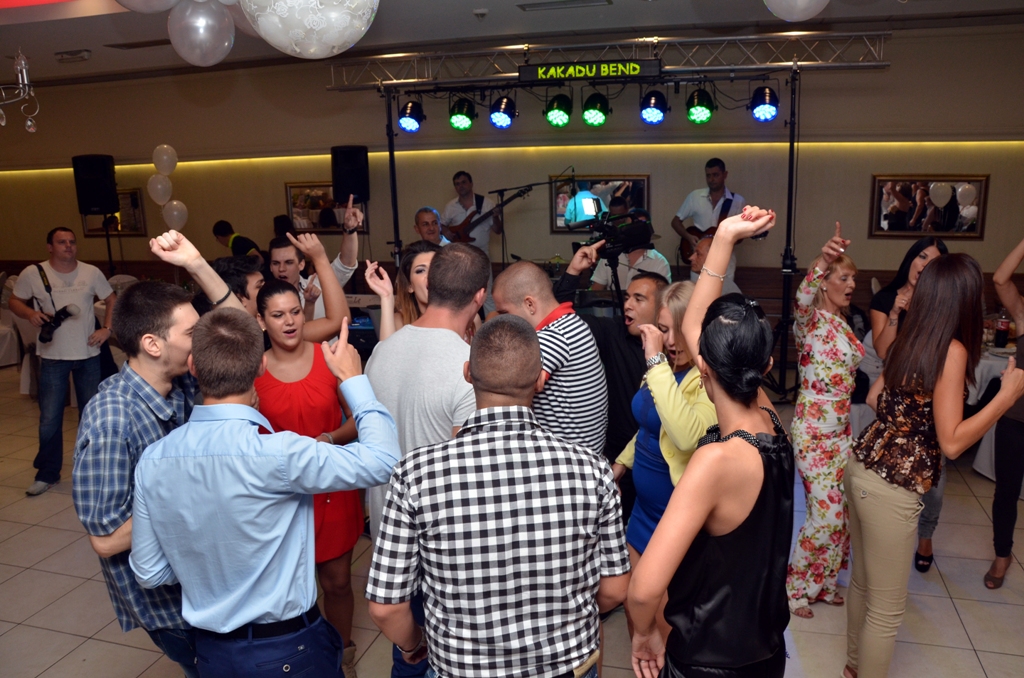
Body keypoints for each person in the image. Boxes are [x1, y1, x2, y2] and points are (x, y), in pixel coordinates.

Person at [129, 308, 400, 678]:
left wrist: (210, 566)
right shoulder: (279, 453)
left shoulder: (153, 460)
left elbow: (149, 571)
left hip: (211, 653)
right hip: (286, 650)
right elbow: (384, 460)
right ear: (261, 366)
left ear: (193, 366)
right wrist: (353, 379)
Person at [364, 315, 630, 678]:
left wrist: (415, 645)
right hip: (566, 667)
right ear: (539, 381)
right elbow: (614, 589)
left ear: (467, 374)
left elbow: (386, 607)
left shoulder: (415, 474)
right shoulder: (593, 469)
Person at [73, 232, 249, 677]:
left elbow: (240, 333)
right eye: (192, 333)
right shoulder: (112, 419)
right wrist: (194, 489)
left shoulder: (184, 381)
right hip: (173, 608)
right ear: (153, 344)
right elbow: (105, 538)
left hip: (211, 584)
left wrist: (195, 263)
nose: (204, 341)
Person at [629, 205, 793, 678]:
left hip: (708, 662)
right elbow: (696, 325)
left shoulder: (717, 461)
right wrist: (723, 239)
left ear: (703, 366)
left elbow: (644, 590)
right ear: (765, 366)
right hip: (766, 651)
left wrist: (644, 632)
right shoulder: (772, 420)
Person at [845, 254, 1024, 678]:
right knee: (886, 611)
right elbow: (953, 443)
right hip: (892, 488)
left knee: (862, 585)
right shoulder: (952, 350)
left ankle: (852, 669)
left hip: (862, 467)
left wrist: (906, 420)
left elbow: (873, 397)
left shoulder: (910, 335)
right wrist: (1005, 398)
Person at [363, 243, 488, 678]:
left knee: (408, 656)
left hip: (388, 533)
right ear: (480, 297)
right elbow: (468, 476)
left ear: (429, 286)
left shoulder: (383, 350)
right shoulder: (468, 366)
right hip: (440, 549)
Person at [254, 251, 362, 674]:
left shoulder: (329, 357)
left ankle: (343, 654)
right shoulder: (253, 371)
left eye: (295, 311)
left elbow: (359, 419)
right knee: (288, 587)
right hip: (280, 495)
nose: (289, 322)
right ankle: (301, 658)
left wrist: (329, 438)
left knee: (337, 582)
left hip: (331, 484)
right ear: (261, 321)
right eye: (278, 315)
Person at [611, 281, 717, 638]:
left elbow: (685, 436)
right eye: (662, 329)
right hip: (643, 509)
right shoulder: (664, 368)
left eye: (675, 330)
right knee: (632, 604)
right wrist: (620, 465)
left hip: (673, 514)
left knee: (662, 619)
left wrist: (655, 361)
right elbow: (648, 426)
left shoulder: (705, 378)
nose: (668, 341)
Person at [553, 241, 669, 523]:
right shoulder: (614, 332)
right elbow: (560, 316)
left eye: (638, 299)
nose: (627, 304)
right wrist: (573, 271)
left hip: (664, 461)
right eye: (627, 297)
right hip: (618, 461)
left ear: (662, 308)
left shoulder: (676, 347)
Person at [786, 223, 864, 619]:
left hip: (841, 433)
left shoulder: (843, 323)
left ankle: (826, 583)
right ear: (824, 282)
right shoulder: (810, 320)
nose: (851, 285)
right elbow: (802, 295)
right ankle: (796, 589)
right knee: (825, 516)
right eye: (843, 277)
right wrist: (822, 258)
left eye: (853, 279)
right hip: (813, 433)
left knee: (843, 513)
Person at [9, 226, 116, 496]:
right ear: (50, 247)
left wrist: (107, 329)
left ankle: (92, 469)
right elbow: (14, 301)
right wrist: (29, 314)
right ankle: (47, 473)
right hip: (53, 356)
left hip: (89, 354)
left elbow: (111, 299)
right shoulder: (33, 273)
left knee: (90, 416)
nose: (68, 246)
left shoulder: (91, 272)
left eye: (72, 242)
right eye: (61, 242)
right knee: (50, 418)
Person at [868, 235, 948, 573]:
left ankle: (925, 536)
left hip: (929, 393)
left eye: (934, 262)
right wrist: (896, 312)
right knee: (890, 472)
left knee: (935, 479)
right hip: (894, 392)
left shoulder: (940, 305)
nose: (925, 265)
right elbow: (883, 350)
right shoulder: (886, 298)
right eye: (922, 256)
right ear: (911, 258)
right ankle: (885, 536)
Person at [492, 260, 608, 451]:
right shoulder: (572, 323)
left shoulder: (552, 336)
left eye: (505, 313)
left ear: (529, 304)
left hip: (567, 456)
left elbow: (513, 385)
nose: (504, 320)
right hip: (586, 450)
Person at [987, 236, 1024, 589]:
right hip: (1016, 420)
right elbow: (1000, 279)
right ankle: (1002, 555)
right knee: (1006, 492)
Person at [364, 241, 479, 344]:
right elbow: (386, 357)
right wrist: (386, 297)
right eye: (420, 270)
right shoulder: (400, 321)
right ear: (409, 285)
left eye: (436, 267)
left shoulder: (471, 319)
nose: (430, 275)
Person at [671, 158, 746, 276]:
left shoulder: (737, 201)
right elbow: (675, 222)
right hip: (698, 258)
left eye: (715, 175)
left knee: (724, 287)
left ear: (725, 174)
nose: (711, 179)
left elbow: (741, 234)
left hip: (725, 259)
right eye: (708, 175)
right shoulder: (695, 196)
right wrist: (689, 237)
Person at [440, 171, 499, 316]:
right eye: (457, 184)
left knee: (486, 293)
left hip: (481, 255)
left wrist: (496, 217)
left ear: (471, 184)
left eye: (463, 182)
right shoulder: (450, 206)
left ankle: (491, 325)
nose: (460, 186)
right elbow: (441, 225)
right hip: (458, 257)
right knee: (460, 293)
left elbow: (498, 230)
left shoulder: (486, 204)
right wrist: (446, 231)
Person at [590, 210, 673, 292]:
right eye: (631, 228)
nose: (635, 232)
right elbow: (595, 290)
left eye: (639, 228)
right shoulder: (610, 256)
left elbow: (664, 296)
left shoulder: (659, 262)